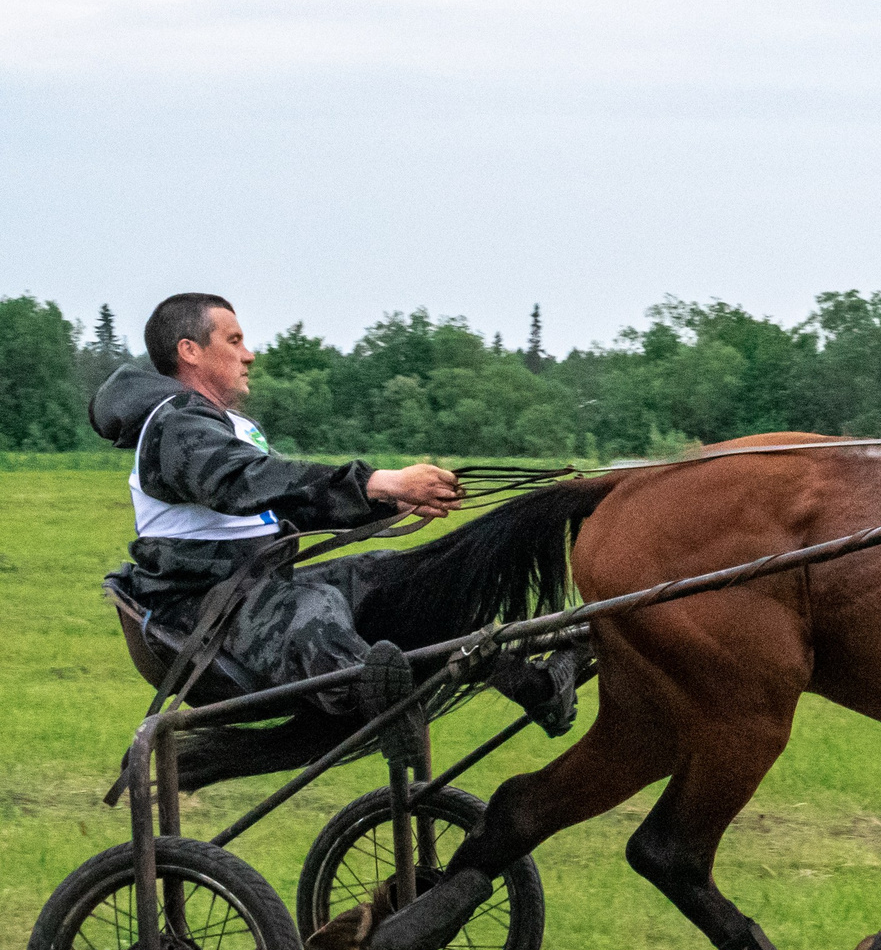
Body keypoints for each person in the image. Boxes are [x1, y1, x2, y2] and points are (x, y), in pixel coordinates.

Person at [92, 292, 571, 727]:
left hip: (255, 589)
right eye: (234, 340)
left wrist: (386, 501)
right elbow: (243, 483)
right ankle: (388, 708)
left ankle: (536, 686)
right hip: (199, 612)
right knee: (315, 609)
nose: (249, 354)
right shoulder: (177, 424)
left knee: (411, 577)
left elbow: (275, 507)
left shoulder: (221, 423)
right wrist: (377, 480)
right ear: (189, 350)